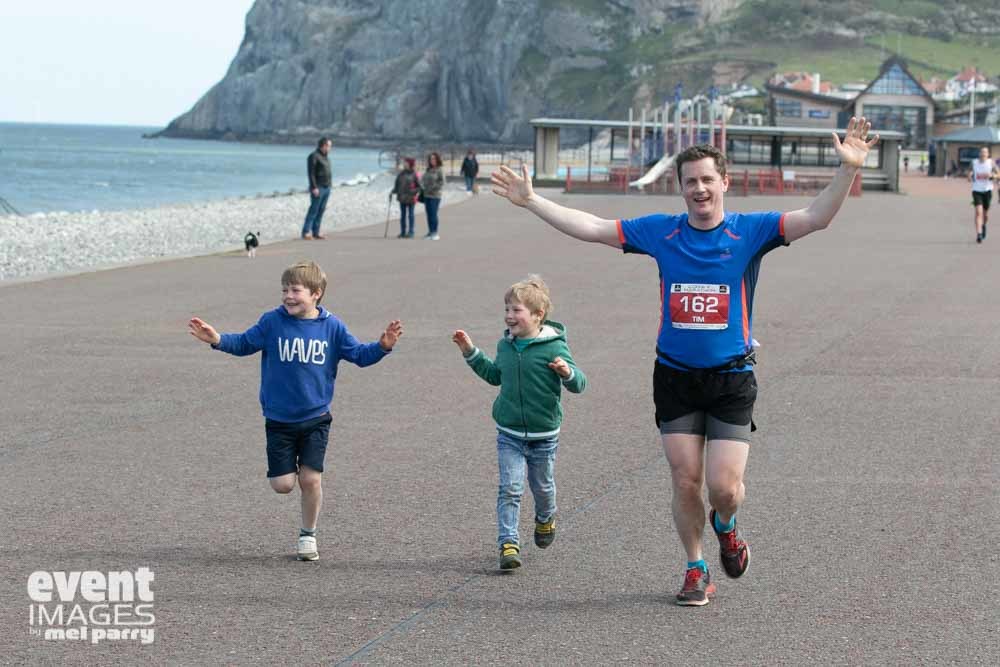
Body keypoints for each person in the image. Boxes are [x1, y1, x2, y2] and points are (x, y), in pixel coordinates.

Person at [491, 117, 878, 605]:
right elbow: (592, 228)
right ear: (681, 188)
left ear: (724, 183)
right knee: (685, 478)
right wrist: (531, 201)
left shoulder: (751, 231)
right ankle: (696, 567)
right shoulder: (661, 233)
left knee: (724, 487)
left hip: (731, 378)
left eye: (707, 180)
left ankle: (727, 526)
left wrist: (847, 171)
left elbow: (816, 217)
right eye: (690, 181)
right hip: (674, 376)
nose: (699, 189)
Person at [187, 260, 403, 561]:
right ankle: (292, 482)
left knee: (310, 479)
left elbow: (359, 355)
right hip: (278, 419)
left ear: (316, 293)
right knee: (283, 485)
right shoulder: (271, 322)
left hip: (316, 418)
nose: (288, 296)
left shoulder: (332, 327)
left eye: (295, 290)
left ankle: (308, 535)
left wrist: (382, 347)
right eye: (284, 290)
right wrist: (218, 339)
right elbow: (244, 343)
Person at [452, 276, 587, 571]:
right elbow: (494, 376)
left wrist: (566, 373)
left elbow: (580, 384)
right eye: (507, 309)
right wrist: (470, 352)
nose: (509, 316)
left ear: (538, 315)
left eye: (517, 310)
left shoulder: (554, 348)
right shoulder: (506, 346)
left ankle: (545, 518)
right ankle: (508, 543)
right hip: (509, 432)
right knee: (510, 488)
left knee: (542, 487)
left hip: (544, 434)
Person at [303, 138, 333, 240]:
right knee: (314, 210)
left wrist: (330, 185)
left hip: (327, 187)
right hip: (318, 187)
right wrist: (314, 187)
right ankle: (306, 232)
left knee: (321, 210)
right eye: (329, 146)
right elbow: (311, 173)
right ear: (323, 146)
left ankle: (316, 232)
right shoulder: (313, 156)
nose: (330, 148)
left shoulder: (326, 157)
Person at [970, 146, 997, 244]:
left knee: (985, 214)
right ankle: (979, 234)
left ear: (988, 154)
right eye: (981, 152)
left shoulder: (991, 163)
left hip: (987, 191)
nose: (983, 154)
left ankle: (983, 225)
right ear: (979, 154)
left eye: (985, 152)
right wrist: (969, 175)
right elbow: (969, 172)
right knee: (978, 212)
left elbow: (998, 174)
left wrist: (992, 176)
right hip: (976, 190)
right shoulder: (974, 163)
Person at [391, 157, 420, 238]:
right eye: (404, 163)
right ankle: (403, 232)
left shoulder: (414, 174)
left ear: (410, 164)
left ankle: (411, 232)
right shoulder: (401, 174)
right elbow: (397, 185)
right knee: (402, 215)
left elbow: (419, 187)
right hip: (402, 197)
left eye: (406, 163)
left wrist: (413, 191)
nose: (404, 164)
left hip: (411, 198)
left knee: (411, 215)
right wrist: (393, 191)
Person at [421, 152, 445, 240]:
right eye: (431, 159)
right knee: (428, 214)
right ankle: (430, 232)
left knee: (433, 214)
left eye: (434, 158)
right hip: (427, 195)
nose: (432, 160)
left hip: (435, 195)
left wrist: (433, 188)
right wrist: (422, 185)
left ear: (437, 159)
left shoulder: (440, 169)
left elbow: (442, 182)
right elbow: (423, 179)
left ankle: (435, 233)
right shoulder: (428, 169)